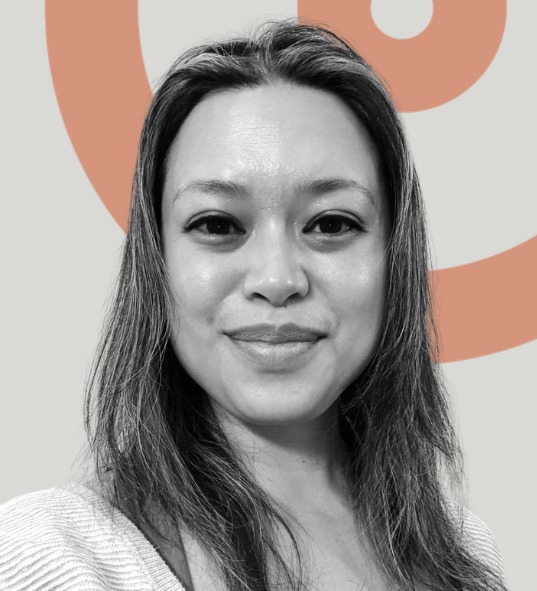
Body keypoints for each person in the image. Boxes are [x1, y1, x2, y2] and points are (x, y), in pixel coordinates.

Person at [0, 19, 507, 591]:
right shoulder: (51, 554)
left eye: (331, 224)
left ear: (395, 256)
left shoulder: (461, 547)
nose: (277, 279)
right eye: (218, 225)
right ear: (156, 261)